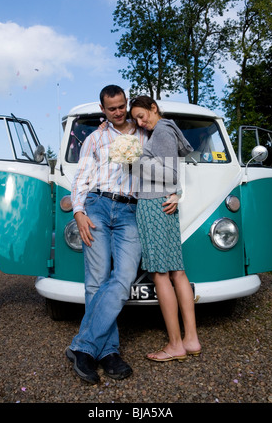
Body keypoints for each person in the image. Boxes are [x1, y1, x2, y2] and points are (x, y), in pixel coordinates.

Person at [66, 85, 147, 384]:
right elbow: (81, 179)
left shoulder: (143, 134)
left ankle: (82, 347)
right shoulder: (95, 138)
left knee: (124, 278)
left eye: (121, 106)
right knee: (96, 280)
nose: (118, 112)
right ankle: (109, 352)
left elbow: (164, 158)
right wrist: (79, 213)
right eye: (111, 108)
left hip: (130, 211)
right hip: (97, 206)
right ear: (103, 109)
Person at [129, 95, 201, 362]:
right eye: (135, 118)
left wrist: (133, 162)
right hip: (164, 204)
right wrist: (177, 192)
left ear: (153, 108)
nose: (140, 121)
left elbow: (169, 173)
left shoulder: (160, 130)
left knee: (161, 275)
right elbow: (174, 175)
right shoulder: (167, 130)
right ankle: (190, 339)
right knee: (178, 272)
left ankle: (175, 345)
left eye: (142, 115)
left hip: (152, 206)